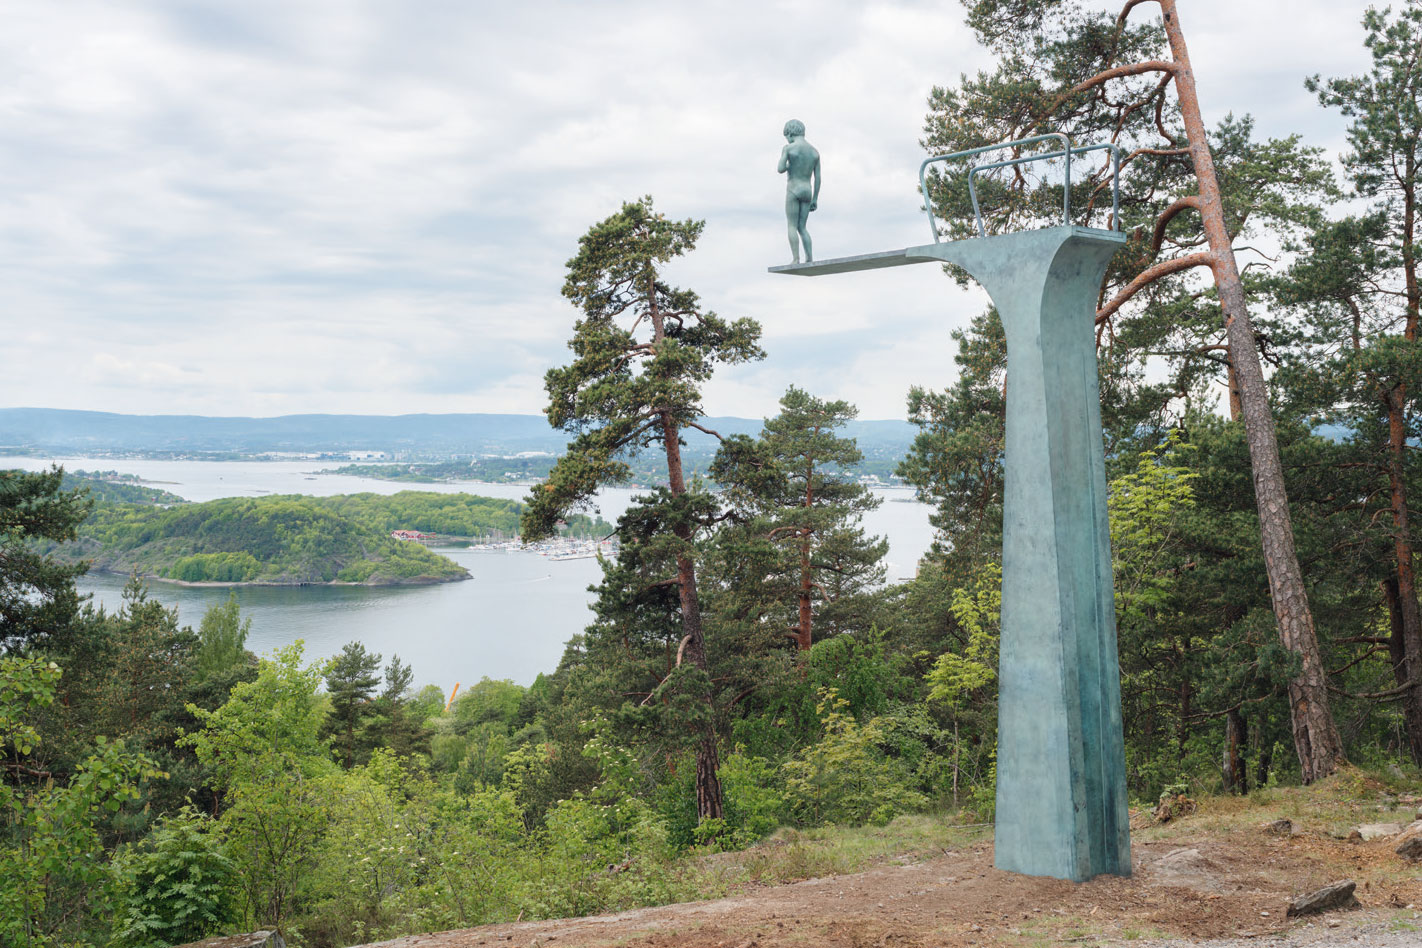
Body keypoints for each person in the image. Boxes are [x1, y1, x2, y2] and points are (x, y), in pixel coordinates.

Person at [778, 119, 820, 263]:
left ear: (789, 133)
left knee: (791, 225)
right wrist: (815, 198)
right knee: (803, 228)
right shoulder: (814, 152)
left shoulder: (789, 149)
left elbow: (780, 169)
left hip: (794, 189)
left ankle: (796, 258)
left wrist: (789, 165)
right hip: (807, 190)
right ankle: (810, 258)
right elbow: (818, 178)